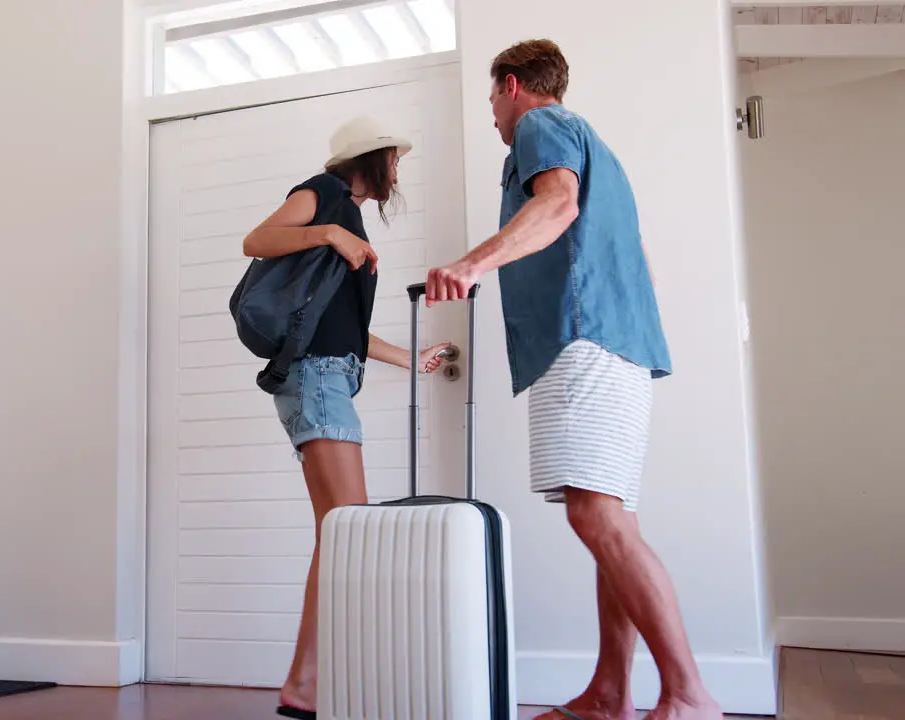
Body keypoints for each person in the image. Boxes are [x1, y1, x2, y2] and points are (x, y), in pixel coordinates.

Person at [424, 40, 722, 720]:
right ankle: (611, 694)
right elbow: (631, 254)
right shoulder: (598, 149)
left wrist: (472, 265)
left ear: (509, 86)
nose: (494, 119)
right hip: (620, 343)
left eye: (491, 103)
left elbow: (556, 206)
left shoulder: (540, 126)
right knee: (608, 517)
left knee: (596, 516)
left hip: (584, 337)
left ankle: (689, 695)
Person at [243, 116, 453, 720]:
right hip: (316, 381)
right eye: (395, 159)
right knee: (348, 533)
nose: (398, 171)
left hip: (329, 376)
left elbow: (345, 331)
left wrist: (409, 359)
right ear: (374, 157)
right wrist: (329, 232)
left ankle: (308, 682)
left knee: (339, 534)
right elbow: (256, 240)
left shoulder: (348, 214)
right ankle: (310, 682)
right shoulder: (324, 195)